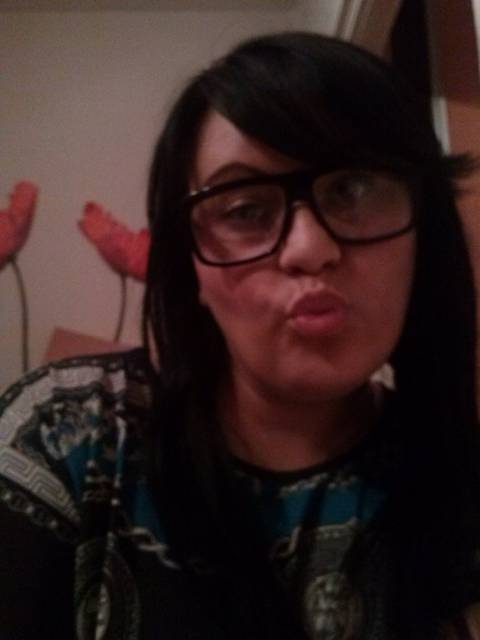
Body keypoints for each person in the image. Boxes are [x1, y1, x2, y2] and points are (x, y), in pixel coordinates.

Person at [0, 31, 479, 640]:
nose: (310, 248)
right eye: (245, 209)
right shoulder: (62, 438)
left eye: (353, 189)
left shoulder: (463, 485)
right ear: (192, 270)